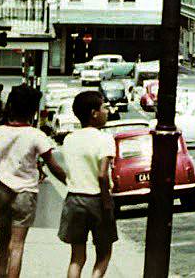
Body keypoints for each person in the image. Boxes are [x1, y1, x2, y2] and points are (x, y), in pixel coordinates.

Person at [0, 84, 66, 278]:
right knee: (17, 245)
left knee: (2, 242)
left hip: (2, 192)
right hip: (26, 194)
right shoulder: (37, 136)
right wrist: (70, 181)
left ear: (11, 106)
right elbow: (52, 165)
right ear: (33, 110)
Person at [59, 91, 117, 278]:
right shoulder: (105, 139)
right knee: (104, 253)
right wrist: (107, 201)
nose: (107, 111)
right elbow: (102, 175)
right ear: (94, 113)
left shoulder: (69, 139)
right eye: (104, 108)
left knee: (76, 257)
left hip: (74, 199)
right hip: (97, 200)